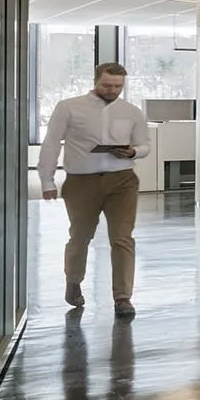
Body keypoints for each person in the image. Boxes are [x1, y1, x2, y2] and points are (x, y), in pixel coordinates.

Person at [40, 62, 152, 317]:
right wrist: (47, 180)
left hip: (122, 180)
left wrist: (134, 152)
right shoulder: (68, 107)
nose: (112, 90)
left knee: (122, 238)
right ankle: (73, 281)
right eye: (107, 85)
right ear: (95, 81)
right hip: (82, 182)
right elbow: (50, 144)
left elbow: (144, 145)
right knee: (80, 237)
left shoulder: (131, 112)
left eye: (118, 86)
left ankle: (123, 298)